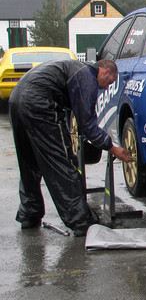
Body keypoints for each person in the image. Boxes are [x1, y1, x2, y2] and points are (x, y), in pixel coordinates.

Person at [9, 58, 133, 236]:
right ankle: (81, 221)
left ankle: (30, 213)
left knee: (29, 162)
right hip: (39, 103)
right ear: (105, 72)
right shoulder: (86, 77)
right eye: (109, 82)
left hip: (16, 100)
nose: (106, 88)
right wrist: (112, 148)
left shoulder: (75, 69)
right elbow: (87, 124)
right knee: (62, 163)